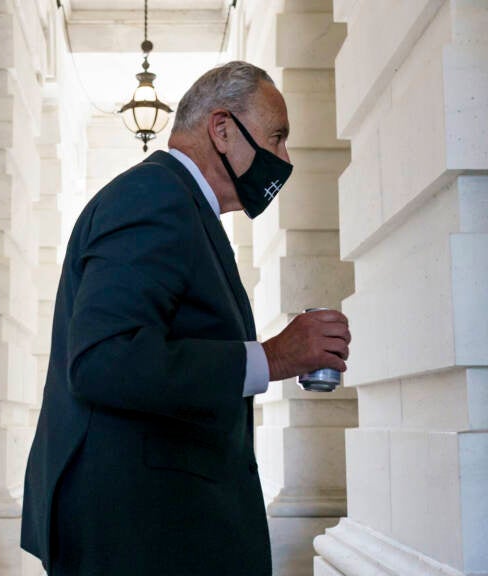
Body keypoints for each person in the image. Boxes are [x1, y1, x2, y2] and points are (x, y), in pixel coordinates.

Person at [21, 61, 351, 576]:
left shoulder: (180, 204)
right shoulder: (154, 196)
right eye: (277, 137)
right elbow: (103, 359)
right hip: (138, 536)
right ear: (222, 129)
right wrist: (275, 356)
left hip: (160, 527)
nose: (284, 159)